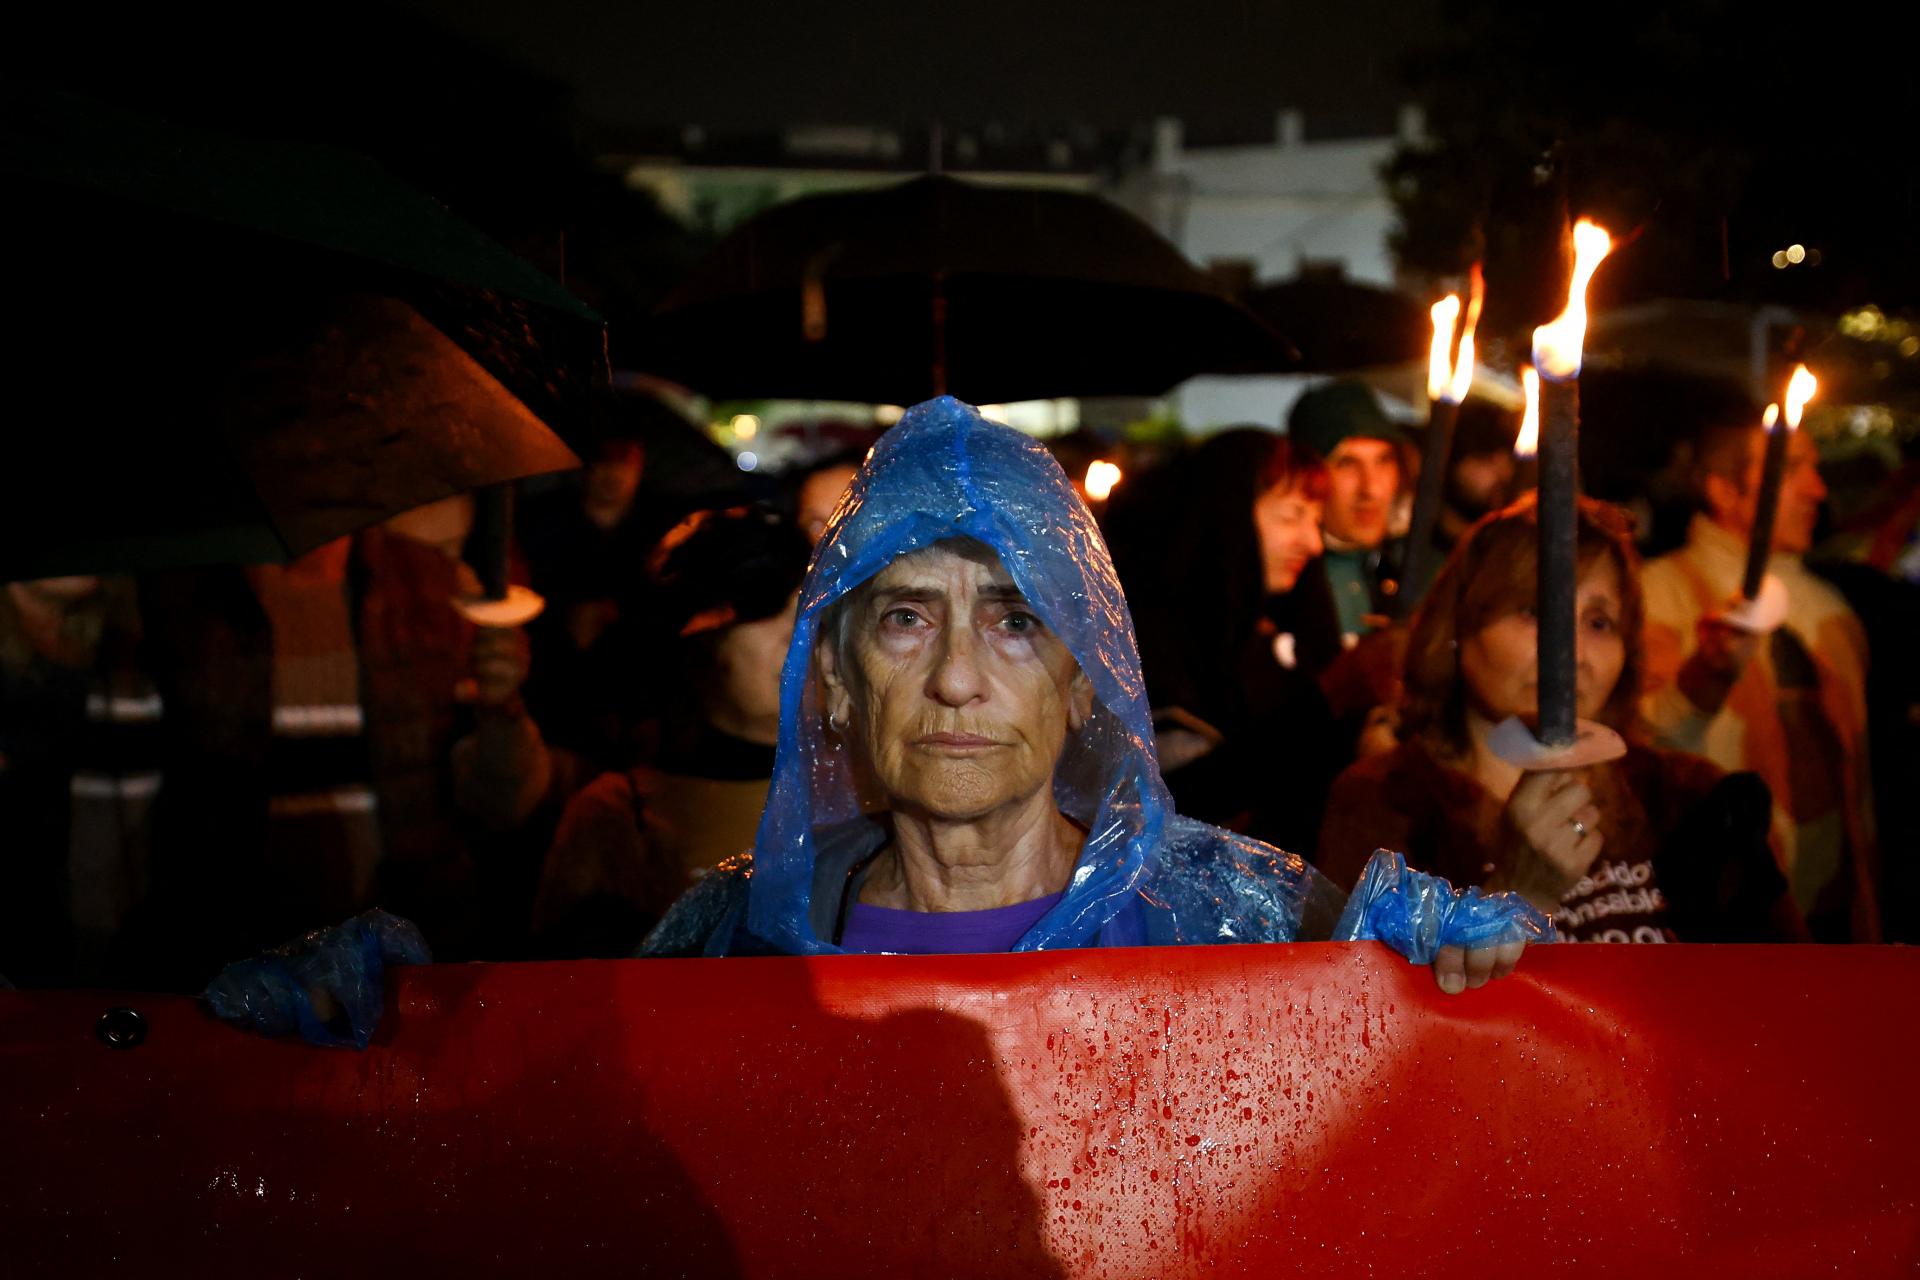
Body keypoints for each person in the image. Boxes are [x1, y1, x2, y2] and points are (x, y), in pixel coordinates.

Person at [642, 397, 1546, 990]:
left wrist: (1435, 973)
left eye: (1018, 623)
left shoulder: (1229, 923)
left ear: (1084, 679)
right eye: (905, 620)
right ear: (836, 676)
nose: (958, 679)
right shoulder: (735, 943)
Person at [1316, 494, 1805, 943]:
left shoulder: (1685, 799)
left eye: (1599, 623)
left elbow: (1790, 994)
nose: (1569, 652)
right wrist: (1515, 895)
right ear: (1458, 628)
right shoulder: (1385, 804)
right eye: (1534, 612)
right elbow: (1365, 1011)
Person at [531, 506, 809, 956]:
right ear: (699, 633)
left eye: (806, 612)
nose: (797, 638)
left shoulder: (866, 790)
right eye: (766, 609)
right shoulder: (619, 816)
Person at [1639, 415, 1876, 942]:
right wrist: (1705, 677)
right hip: (1718, 927)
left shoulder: (1833, 610)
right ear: (1723, 489)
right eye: (1792, 470)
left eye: (1816, 469)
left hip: (1835, 929)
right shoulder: (1657, 597)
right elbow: (1641, 754)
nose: (1818, 489)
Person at [1115, 428, 1341, 851]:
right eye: (1292, 516)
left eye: (1316, 521)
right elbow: (1175, 803)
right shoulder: (1146, 642)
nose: (1312, 543)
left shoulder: (1258, 632)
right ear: (1229, 516)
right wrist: (1327, 702)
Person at [1285, 380, 1411, 656]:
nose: (1371, 489)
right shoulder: (1285, 583)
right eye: (1347, 463)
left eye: (1384, 460)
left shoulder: (1426, 570)